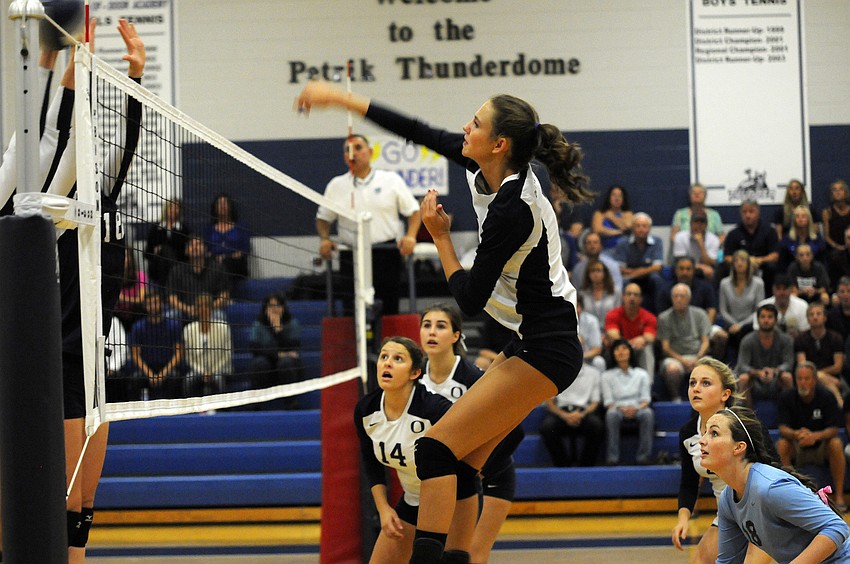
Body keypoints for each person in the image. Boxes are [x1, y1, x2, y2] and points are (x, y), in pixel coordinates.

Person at [296, 80, 591, 563]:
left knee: (432, 451)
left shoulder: (514, 209)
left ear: (499, 144)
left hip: (548, 348)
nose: (463, 127)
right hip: (533, 341)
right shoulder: (491, 167)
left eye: (475, 123)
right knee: (457, 463)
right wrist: (343, 99)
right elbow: (418, 131)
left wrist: (440, 238)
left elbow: (470, 301)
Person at [19, 19, 145, 562]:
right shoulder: (44, 203)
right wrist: (68, 66)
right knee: (55, 498)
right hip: (59, 358)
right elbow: (59, 132)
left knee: (84, 502)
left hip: (94, 365)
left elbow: (133, 139)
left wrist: (135, 74)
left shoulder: (105, 197)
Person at [354, 337, 477, 564]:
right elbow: (370, 461)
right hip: (412, 498)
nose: (387, 363)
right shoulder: (366, 410)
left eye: (398, 359)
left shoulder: (434, 409)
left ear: (414, 373)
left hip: (454, 500)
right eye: (384, 357)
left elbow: (474, 441)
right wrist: (384, 509)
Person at [418, 303, 523, 564]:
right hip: (444, 478)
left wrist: (475, 467)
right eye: (427, 325)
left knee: (472, 555)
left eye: (440, 326)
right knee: (438, 553)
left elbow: (514, 432)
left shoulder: (473, 378)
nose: (432, 332)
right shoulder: (415, 380)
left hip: (490, 474)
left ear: (456, 336)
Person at [701, 406, 850, 563]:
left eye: (714, 433)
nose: (702, 440)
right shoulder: (728, 499)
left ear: (739, 447)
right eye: (704, 433)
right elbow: (727, 561)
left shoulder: (769, 488)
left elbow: (837, 527)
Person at [671, 357, 772, 564]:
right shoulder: (688, 433)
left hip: (762, 511)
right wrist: (683, 520)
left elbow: (775, 467)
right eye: (692, 383)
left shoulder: (746, 426)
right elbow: (689, 484)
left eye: (705, 383)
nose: (696, 389)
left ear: (725, 394)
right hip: (727, 515)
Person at [315, 133, 421, 316]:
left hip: (386, 254)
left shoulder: (391, 180)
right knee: (352, 311)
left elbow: (414, 211)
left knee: (389, 309)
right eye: (348, 150)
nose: (353, 153)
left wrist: (411, 236)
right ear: (344, 157)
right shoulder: (336, 185)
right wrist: (325, 239)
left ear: (370, 152)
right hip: (351, 256)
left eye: (358, 148)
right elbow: (323, 218)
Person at [777, 362, 847, 512]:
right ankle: (787, 496)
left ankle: (840, 496)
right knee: (782, 444)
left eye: (806, 378)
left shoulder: (826, 396)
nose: (803, 382)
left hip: (821, 445)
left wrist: (816, 436)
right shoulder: (787, 397)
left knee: (836, 443)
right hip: (798, 445)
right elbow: (782, 428)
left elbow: (834, 429)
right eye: (800, 379)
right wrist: (796, 434)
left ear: (814, 380)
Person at [540, 362, 604, 467]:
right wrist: (564, 415)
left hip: (583, 413)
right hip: (561, 412)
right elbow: (549, 401)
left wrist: (581, 414)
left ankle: (586, 465)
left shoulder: (593, 373)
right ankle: (562, 465)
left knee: (596, 425)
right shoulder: (555, 370)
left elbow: (595, 402)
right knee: (547, 427)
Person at [601, 339, 654, 465]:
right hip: (617, 409)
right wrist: (622, 409)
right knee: (611, 414)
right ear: (612, 354)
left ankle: (643, 457)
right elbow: (608, 402)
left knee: (648, 413)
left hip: (638, 408)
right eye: (617, 349)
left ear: (630, 352)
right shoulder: (606, 376)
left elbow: (646, 399)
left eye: (624, 348)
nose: (621, 352)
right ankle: (612, 458)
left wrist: (636, 408)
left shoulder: (641, 374)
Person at [657, 283, 711, 401]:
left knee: (710, 367)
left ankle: (705, 399)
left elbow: (705, 342)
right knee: (672, 369)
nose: (678, 299)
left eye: (682, 296)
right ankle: (675, 398)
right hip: (676, 357)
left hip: (697, 355)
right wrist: (683, 361)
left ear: (689, 298)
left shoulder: (700, 314)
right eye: (675, 296)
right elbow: (665, 347)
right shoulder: (664, 317)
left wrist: (697, 357)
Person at [129, 290, 184, 400]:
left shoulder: (174, 325)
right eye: (149, 304)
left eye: (155, 302)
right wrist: (149, 374)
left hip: (167, 367)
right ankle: (137, 413)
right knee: (135, 379)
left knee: (175, 377)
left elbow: (179, 353)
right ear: (145, 306)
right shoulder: (138, 327)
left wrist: (163, 373)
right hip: (146, 368)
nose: (153, 307)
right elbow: (135, 355)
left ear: (161, 303)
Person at [249, 292, 304, 402]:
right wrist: (277, 354)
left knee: (286, 362)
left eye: (277, 305)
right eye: (271, 306)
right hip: (267, 364)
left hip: (288, 366)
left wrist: (278, 329)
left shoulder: (292, 323)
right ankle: (255, 402)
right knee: (259, 363)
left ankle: (291, 401)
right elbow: (254, 347)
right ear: (265, 309)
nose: (274, 309)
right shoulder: (259, 324)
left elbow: (293, 346)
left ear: (283, 308)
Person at [736, 304, 794, 405]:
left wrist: (774, 371)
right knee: (743, 378)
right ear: (758, 320)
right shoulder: (747, 340)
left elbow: (788, 363)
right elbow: (742, 365)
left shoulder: (786, 340)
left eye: (770, 317)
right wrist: (758, 373)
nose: (766, 320)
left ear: (776, 320)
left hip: (776, 379)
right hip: (755, 380)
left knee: (787, 377)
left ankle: (788, 415)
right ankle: (746, 417)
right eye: (763, 317)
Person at [166, 235, 231, 323]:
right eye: (191, 245)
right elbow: (172, 298)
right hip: (185, 310)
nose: (195, 247)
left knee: (219, 317)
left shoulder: (218, 268)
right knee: (170, 317)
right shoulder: (176, 270)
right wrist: (187, 309)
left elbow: (224, 295)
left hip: (211, 310)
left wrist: (207, 309)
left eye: (198, 244)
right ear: (186, 251)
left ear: (205, 249)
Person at [609, 212, 664, 311]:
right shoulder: (623, 243)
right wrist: (645, 270)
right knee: (623, 281)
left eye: (644, 226)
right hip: (630, 278)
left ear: (649, 228)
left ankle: (658, 313)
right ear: (632, 228)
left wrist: (635, 273)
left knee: (657, 280)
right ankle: (624, 312)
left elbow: (657, 267)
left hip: (648, 278)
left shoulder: (657, 241)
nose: (641, 229)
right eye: (638, 226)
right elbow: (621, 269)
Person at [721, 200, 779, 292]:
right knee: (723, 268)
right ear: (740, 214)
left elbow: (775, 255)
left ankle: (770, 296)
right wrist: (746, 262)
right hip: (740, 266)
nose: (748, 215)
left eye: (751, 212)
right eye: (744, 212)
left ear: (758, 212)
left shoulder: (769, 231)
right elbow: (727, 257)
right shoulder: (733, 233)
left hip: (762, 265)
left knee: (772, 267)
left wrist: (759, 260)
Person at [794, 302, 845, 405]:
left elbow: (838, 367)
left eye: (818, 314)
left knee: (825, 379)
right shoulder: (800, 339)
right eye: (811, 315)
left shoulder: (836, 338)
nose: (815, 317)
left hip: (833, 376)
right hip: (808, 379)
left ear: (825, 318)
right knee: (821, 380)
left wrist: (819, 374)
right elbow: (803, 365)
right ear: (807, 319)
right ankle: (840, 406)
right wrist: (819, 375)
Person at [182, 293, 232, 397]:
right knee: (189, 379)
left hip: (219, 368)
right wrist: (202, 371)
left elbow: (227, 355)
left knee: (218, 379)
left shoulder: (223, 327)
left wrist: (212, 371)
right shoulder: (189, 329)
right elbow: (189, 357)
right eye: (200, 306)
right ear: (196, 309)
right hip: (198, 369)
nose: (203, 309)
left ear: (211, 309)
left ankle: (222, 412)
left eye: (206, 306)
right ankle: (191, 411)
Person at [605, 282, 657, 377]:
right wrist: (628, 344)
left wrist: (643, 339)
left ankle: (648, 384)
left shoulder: (649, 317)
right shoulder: (612, 315)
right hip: (619, 350)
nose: (632, 298)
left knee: (647, 348)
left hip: (637, 349)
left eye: (636, 295)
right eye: (629, 294)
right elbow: (613, 335)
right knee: (613, 346)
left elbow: (650, 337)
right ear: (623, 297)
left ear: (641, 299)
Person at [718, 250, 764, 354]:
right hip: (729, 324)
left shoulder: (758, 283)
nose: (739, 263)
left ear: (748, 264)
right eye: (736, 261)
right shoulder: (724, 283)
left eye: (743, 260)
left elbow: (759, 310)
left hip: (750, 325)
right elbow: (723, 310)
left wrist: (741, 325)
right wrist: (735, 325)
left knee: (745, 334)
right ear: (732, 264)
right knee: (722, 336)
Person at [203, 193, 251, 282]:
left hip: (235, 265)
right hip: (214, 264)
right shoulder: (208, 229)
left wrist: (227, 257)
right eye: (219, 204)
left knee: (227, 265)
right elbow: (206, 250)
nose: (222, 206)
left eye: (225, 203)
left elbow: (245, 249)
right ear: (215, 207)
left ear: (230, 206)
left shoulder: (240, 227)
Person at [144, 198, 191, 286]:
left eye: (176, 207)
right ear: (166, 208)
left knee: (166, 250)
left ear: (180, 211)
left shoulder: (184, 230)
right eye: (171, 207)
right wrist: (155, 251)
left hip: (178, 267)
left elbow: (186, 254)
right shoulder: (155, 228)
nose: (173, 210)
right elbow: (147, 253)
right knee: (164, 253)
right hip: (157, 268)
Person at [672, 211, 720, 280]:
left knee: (710, 272)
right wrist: (695, 266)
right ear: (690, 224)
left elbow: (710, 263)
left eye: (702, 223)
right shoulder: (680, 237)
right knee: (682, 270)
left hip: (703, 269)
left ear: (706, 225)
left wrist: (701, 245)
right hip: (684, 267)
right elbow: (680, 260)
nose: (699, 225)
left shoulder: (714, 239)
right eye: (696, 222)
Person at [778, 205, 827, 271]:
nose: (800, 219)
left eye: (803, 216)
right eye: (797, 216)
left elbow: (822, 262)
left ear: (809, 219)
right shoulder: (787, 238)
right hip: (792, 274)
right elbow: (782, 263)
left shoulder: (817, 239)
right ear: (794, 220)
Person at [577, 258, 621, 328]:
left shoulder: (615, 291)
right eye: (592, 271)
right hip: (588, 331)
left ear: (605, 273)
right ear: (588, 274)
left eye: (598, 270)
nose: (595, 274)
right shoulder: (582, 293)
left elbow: (618, 314)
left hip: (610, 330)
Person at [113, 247, 148, 330]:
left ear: (130, 258)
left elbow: (141, 299)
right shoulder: (114, 277)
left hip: (134, 315)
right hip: (119, 315)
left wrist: (123, 298)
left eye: (125, 256)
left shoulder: (140, 276)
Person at [591, 184, 633, 250]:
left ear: (623, 199)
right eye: (614, 195)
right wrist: (619, 232)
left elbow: (627, 228)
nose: (617, 198)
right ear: (609, 198)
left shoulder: (627, 213)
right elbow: (598, 230)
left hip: (624, 249)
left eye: (620, 196)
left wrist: (612, 217)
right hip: (604, 248)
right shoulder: (600, 213)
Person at [821, 179, 850, 254]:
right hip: (834, 249)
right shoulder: (827, 212)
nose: (838, 192)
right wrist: (837, 247)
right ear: (831, 194)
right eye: (834, 190)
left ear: (846, 193)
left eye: (841, 189)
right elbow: (826, 236)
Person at [826, 276, 850, 341]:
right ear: (837, 294)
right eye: (842, 292)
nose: (846, 295)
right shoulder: (830, 315)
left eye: (849, 291)